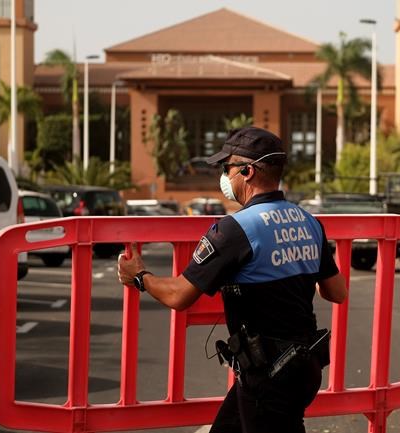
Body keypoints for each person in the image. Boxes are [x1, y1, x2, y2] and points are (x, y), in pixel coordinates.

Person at [118, 126, 347, 433]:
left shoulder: (235, 229)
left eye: (227, 169)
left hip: (269, 377)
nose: (225, 177)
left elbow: (179, 295)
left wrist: (139, 277)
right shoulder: (308, 222)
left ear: (248, 172)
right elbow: (336, 292)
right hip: (303, 366)